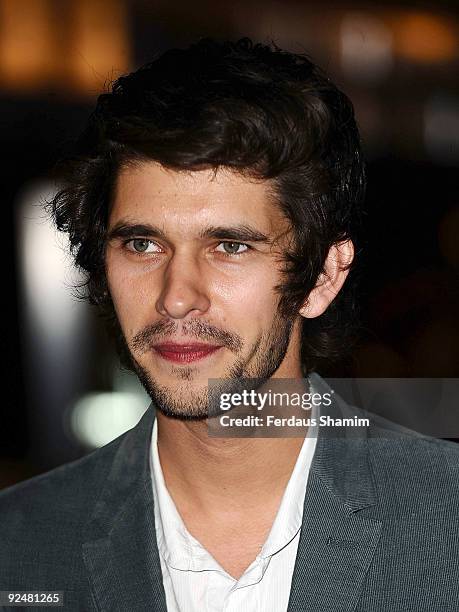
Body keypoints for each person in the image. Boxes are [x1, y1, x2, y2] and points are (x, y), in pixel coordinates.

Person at [0, 38, 458, 611]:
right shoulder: (18, 546)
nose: (176, 298)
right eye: (143, 244)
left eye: (230, 246)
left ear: (322, 277)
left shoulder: (447, 520)